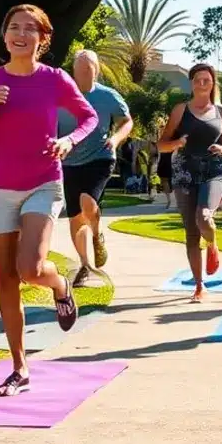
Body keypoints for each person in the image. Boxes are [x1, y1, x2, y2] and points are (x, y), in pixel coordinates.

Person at [0, 5, 97, 395]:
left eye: (29, 29)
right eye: (13, 27)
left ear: (42, 39)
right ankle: (19, 367)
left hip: (43, 183)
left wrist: (69, 140)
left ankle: (60, 285)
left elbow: (89, 118)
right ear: (4, 36)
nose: (20, 34)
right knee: (9, 280)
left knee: (30, 267)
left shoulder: (55, 79)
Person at [158, 62, 222, 302]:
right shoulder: (180, 110)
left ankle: (213, 244)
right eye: (197, 80)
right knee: (192, 233)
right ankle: (199, 285)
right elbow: (162, 144)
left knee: (204, 216)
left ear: (213, 83)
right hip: (184, 171)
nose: (202, 83)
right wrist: (177, 143)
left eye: (206, 79)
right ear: (191, 83)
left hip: (214, 169)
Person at [61, 50, 133, 286]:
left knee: (87, 202)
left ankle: (96, 232)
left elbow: (127, 121)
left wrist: (115, 139)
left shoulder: (107, 96)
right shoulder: (61, 95)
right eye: (79, 69)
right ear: (73, 71)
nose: (83, 73)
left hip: (100, 157)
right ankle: (84, 264)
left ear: (97, 70)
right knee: (74, 219)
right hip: (69, 162)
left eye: (88, 69)